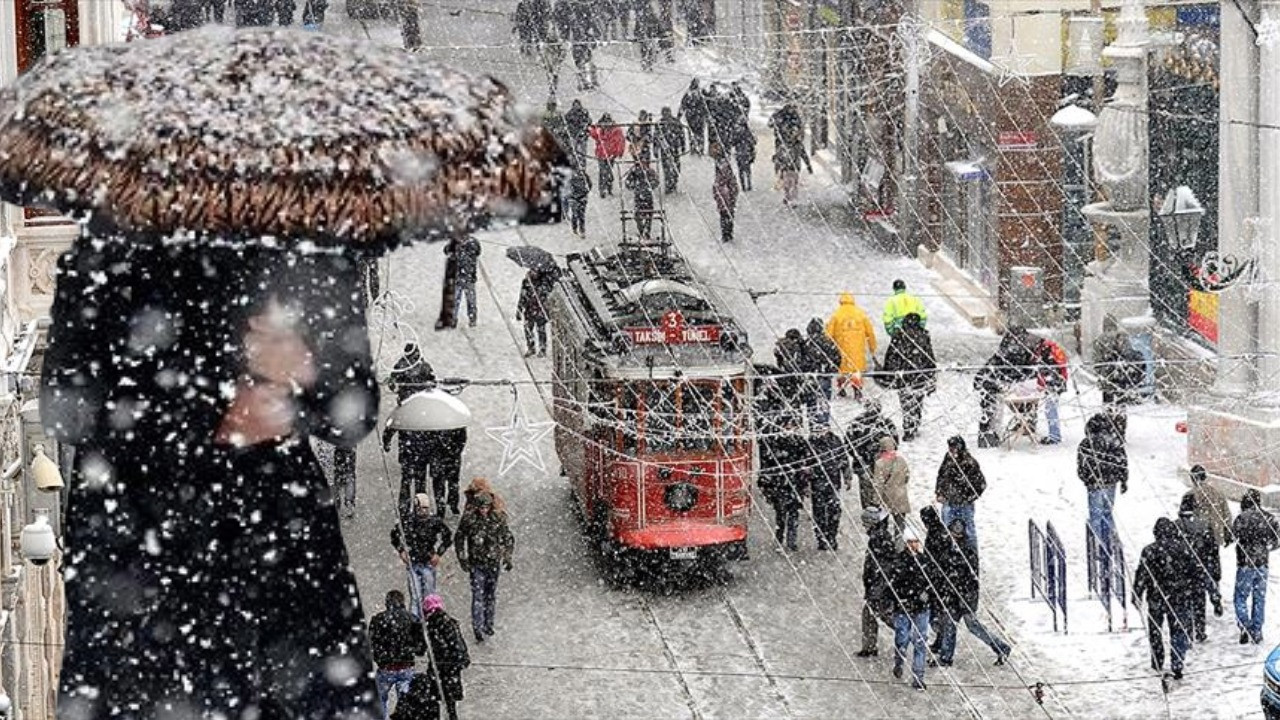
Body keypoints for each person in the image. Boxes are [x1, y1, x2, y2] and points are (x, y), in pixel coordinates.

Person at [43, 239, 382, 714]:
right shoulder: (108, 253)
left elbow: (356, 407)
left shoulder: (304, 248)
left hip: (277, 538)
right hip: (141, 546)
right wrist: (213, 405)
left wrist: (303, 371)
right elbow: (66, 410)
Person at [928, 516, 1012, 667]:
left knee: (972, 626)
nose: (954, 537)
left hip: (964, 595)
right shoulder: (947, 546)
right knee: (949, 625)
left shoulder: (968, 550)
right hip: (953, 595)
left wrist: (964, 594)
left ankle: (1001, 647)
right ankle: (946, 657)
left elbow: (971, 576)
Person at [1133, 518, 1198, 678]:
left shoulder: (1149, 551)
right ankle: (1177, 662)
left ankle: (1157, 659)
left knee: (1156, 629)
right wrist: (1193, 591)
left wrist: (1137, 593)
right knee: (1178, 630)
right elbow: (1194, 573)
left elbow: (1142, 574)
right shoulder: (1184, 549)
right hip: (1179, 596)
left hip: (1156, 596)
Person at [455, 491, 516, 643]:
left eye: (486, 507)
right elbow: (459, 537)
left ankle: (488, 624)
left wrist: (508, 556)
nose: (483, 510)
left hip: (493, 562)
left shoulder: (497, 519)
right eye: (481, 507)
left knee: (490, 595)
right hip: (477, 563)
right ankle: (478, 626)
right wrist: (462, 558)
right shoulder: (469, 520)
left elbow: (508, 537)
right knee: (478, 595)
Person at [1078, 412, 1128, 590]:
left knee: (1095, 515)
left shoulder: (1087, 444)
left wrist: (1088, 479)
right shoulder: (1114, 443)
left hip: (1094, 485)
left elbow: (1081, 467)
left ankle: (1099, 545)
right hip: (1111, 483)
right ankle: (1110, 541)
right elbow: (1122, 462)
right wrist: (1123, 480)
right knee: (1107, 513)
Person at [972, 326, 1039, 447]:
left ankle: (989, 435)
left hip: (994, 385)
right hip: (994, 386)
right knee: (993, 411)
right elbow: (1025, 371)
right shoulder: (1019, 352)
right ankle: (1025, 423)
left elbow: (988, 370)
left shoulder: (1006, 352)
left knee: (991, 412)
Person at [391, 493, 454, 618]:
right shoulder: (407, 521)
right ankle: (415, 624)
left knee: (429, 596)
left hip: (428, 563)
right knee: (415, 597)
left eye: (426, 508)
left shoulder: (434, 522)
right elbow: (394, 536)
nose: (424, 511)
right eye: (421, 508)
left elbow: (447, 537)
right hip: (413, 562)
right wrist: (401, 551)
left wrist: (438, 553)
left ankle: (429, 621)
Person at [369, 590, 427, 719]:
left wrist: (380, 658)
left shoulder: (378, 620)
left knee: (380, 701)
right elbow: (421, 646)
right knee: (406, 703)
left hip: (386, 668)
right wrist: (413, 651)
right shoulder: (412, 619)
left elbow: (373, 643)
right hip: (406, 666)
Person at [1233, 489, 1280, 644]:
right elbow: (1277, 541)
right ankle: (1257, 630)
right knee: (1259, 598)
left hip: (1245, 563)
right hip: (1262, 564)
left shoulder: (1241, 518)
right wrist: (1266, 548)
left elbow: (1233, 536)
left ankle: (1245, 625)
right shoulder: (1270, 519)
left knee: (1240, 597)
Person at [879, 312, 936, 440]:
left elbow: (891, 356)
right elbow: (929, 356)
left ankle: (909, 427)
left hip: (903, 376)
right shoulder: (923, 336)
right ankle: (914, 423)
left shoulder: (899, 336)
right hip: (919, 376)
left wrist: (888, 373)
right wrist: (931, 373)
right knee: (917, 401)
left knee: (906, 403)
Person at [889, 527, 932, 690]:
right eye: (910, 542)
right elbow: (894, 585)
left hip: (920, 607)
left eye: (915, 542)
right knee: (902, 639)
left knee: (920, 642)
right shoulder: (899, 561)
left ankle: (918, 677)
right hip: (904, 606)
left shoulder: (925, 562)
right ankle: (899, 661)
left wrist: (927, 595)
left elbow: (932, 583)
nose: (914, 545)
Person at [758, 413, 807, 551]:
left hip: (795, 484)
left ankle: (791, 541)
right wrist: (766, 484)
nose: (790, 429)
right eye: (788, 426)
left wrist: (803, 479)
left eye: (793, 426)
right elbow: (767, 464)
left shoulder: (800, 442)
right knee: (780, 514)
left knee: (793, 514)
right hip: (780, 485)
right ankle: (779, 539)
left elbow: (805, 462)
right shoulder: (774, 442)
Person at [1175, 493, 1220, 642]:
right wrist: (1215, 568)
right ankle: (1200, 630)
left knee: (1185, 600)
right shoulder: (1205, 524)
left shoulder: (1176, 525)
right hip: (1201, 566)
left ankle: (1188, 629)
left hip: (1183, 569)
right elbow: (1213, 550)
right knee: (1199, 599)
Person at [421, 594, 471, 720]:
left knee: (435, 699)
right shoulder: (450, 622)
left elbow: (423, 648)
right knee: (450, 703)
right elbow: (459, 644)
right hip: (451, 668)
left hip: (440, 667)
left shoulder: (430, 626)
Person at [857, 506, 898, 657]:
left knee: (884, 616)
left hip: (879, 587)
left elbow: (883, 566)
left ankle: (913, 636)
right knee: (871, 615)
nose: (864, 526)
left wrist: (876, 587)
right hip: (878, 586)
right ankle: (869, 647)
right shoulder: (879, 537)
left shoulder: (879, 540)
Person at [934, 435, 985, 549]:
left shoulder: (970, 463)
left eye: (953, 448)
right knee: (947, 531)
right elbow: (941, 475)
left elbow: (980, 484)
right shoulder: (948, 459)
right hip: (949, 502)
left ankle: (971, 555)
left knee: (968, 531)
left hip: (964, 504)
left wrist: (969, 498)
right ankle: (948, 554)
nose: (951, 451)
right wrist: (939, 492)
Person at [845, 400, 898, 508]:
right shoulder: (857, 424)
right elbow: (849, 444)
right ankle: (870, 514)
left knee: (880, 491)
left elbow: (895, 443)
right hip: (864, 463)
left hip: (882, 464)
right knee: (867, 490)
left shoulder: (886, 423)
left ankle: (880, 514)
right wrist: (861, 454)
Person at [383, 404, 432, 520]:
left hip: (407, 454)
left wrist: (386, 442)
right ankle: (420, 506)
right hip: (421, 454)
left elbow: (390, 428)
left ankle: (404, 509)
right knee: (420, 482)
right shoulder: (426, 416)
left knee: (406, 481)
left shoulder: (404, 414)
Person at [825, 293, 877, 399]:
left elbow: (828, 335)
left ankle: (841, 388)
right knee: (856, 370)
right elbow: (870, 333)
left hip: (841, 348)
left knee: (842, 369)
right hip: (857, 349)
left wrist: (828, 349)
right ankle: (857, 388)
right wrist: (872, 348)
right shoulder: (861, 314)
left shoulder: (836, 315)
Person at [810, 429, 850, 551]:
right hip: (817, 482)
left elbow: (844, 458)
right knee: (819, 512)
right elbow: (806, 462)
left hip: (833, 482)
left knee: (834, 511)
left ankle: (831, 537)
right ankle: (821, 538)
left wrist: (847, 477)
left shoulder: (836, 440)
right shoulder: (812, 442)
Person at [1094, 314, 1145, 404]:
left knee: (1117, 404)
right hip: (1111, 378)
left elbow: (1129, 355)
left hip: (1119, 378)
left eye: (1113, 329)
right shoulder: (1100, 341)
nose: (1111, 332)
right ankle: (1111, 413)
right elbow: (1098, 362)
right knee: (1110, 403)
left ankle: (1116, 413)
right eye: (1108, 329)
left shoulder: (1121, 338)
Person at [801, 317, 841, 425]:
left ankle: (813, 426)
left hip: (810, 377)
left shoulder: (806, 344)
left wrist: (806, 370)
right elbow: (837, 357)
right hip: (824, 376)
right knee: (823, 402)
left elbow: (801, 360)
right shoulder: (828, 342)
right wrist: (830, 370)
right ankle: (824, 425)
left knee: (812, 404)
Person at [1034, 335, 1069, 444]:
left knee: (1050, 409)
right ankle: (1054, 434)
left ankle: (1055, 436)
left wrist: (1042, 384)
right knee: (1050, 409)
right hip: (1057, 382)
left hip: (1053, 383)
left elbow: (1043, 370)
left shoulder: (1046, 350)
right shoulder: (1052, 348)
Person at [1188, 464, 1234, 548]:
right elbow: (1227, 515)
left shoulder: (1190, 495)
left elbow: (1186, 519)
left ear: (1192, 478)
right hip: (1216, 537)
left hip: (1198, 538)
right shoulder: (1218, 493)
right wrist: (1227, 532)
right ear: (1205, 477)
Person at [872, 435, 910, 530]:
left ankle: (885, 543)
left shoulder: (880, 463)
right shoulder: (901, 460)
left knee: (881, 527)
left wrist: (876, 501)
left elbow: (879, 484)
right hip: (901, 497)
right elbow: (907, 477)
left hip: (886, 499)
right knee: (900, 528)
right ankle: (899, 544)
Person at [445, 235, 481, 328]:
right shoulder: (454, 243)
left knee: (471, 300)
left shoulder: (473, 242)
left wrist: (467, 247)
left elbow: (478, 251)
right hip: (457, 277)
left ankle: (472, 319)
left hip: (469, 277)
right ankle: (453, 319)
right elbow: (446, 251)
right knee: (455, 300)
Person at [589, 113, 625, 197]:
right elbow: (593, 134)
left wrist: (618, 152)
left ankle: (607, 188)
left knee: (607, 171)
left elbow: (620, 141)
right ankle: (603, 189)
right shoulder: (601, 130)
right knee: (603, 172)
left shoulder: (615, 130)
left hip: (610, 154)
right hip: (602, 154)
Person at [517, 270, 551, 357]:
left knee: (541, 330)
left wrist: (540, 292)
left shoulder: (544, 282)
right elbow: (522, 295)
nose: (533, 273)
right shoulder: (527, 281)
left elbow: (546, 295)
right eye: (532, 271)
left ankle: (542, 348)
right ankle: (531, 347)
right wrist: (519, 309)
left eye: (535, 271)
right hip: (529, 309)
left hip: (540, 309)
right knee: (528, 328)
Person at [624, 160, 659, 240]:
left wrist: (647, 186)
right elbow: (628, 183)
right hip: (641, 196)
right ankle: (643, 231)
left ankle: (645, 232)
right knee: (641, 214)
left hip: (646, 196)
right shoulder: (636, 172)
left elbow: (656, 181)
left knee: (647, 214)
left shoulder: (648, 172)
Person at [712, 142, 739, 243]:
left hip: (724, 197)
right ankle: (728, 233)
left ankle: (726, 234)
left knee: (724, 215)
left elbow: (718, 185)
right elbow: (733, 184)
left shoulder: (720, 174)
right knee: (727, 215)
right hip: (727, 197)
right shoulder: (726, 171)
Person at [658, 106, 685, 193]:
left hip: (674, 147)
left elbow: (681, 134)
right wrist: (656, 149)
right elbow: (657, 137)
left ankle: (673, 182)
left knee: (676, 167)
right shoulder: (660, 123)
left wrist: (683, 145)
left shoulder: (676, 122)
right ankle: (669, 184)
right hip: (665, 149)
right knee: (666, 168)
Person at [680, 79, 707, 155]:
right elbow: (683, 105)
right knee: (694, 133)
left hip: (697, 116)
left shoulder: (699, 93)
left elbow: (705, 106)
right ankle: (695, 148)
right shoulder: (690, 93)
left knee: (697, 133)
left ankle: (699, 148)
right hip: (693, 117)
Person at [567, 167, 592, 237]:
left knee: (581, 215)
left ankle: (581, 230)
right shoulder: (571, 177)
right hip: (574, 198)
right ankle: (574, 227)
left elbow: (590, 184)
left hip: (582, 197)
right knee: (575, 214)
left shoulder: (585, 176)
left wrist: (585, 192)